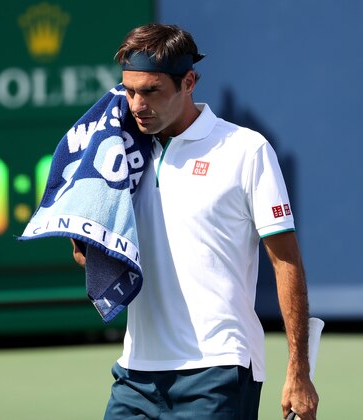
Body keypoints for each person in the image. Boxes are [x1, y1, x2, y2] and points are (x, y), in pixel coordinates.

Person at [70, 23, 319, 419]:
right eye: (129, 90)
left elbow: (285, 260)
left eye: (151, 91)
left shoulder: (246, 150)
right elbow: (91, 257)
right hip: (136, 373)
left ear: (188, 82)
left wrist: (298, 370)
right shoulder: (116, 153)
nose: (136, 105)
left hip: (217, 369)